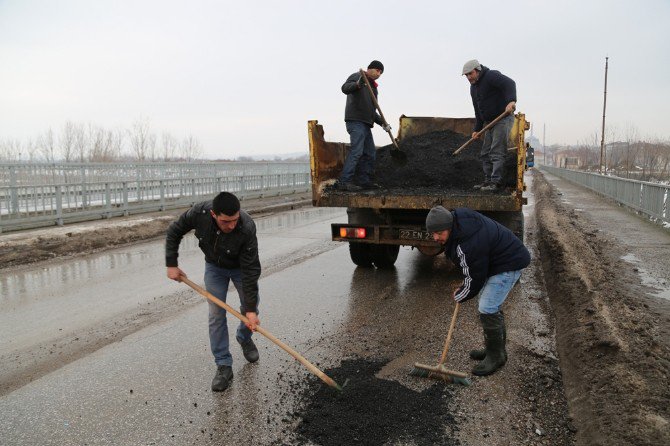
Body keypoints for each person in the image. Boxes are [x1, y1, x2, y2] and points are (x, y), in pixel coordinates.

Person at [165, 191, 261, 391]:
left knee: (250, 310)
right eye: (226, 222)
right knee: (216, 314)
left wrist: (251, 309)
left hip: (240, 268)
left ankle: (244, 338)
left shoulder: (247, 226)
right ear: (213, 215)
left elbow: (251, 269)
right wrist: (171, 264)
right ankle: (224, 365)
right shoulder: (199, 213)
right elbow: (175, 231)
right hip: (214, 267)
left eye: (235, 220)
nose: (232, 225)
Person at [425, 206, 530, 376]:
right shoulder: (458, 225)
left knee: (487, 306)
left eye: (439, 233)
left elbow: (475, 277)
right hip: (497, 261)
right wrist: (465, 286)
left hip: (510, 263)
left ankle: (496, 357)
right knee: (489, 305)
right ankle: (494, 350)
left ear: (449, 227)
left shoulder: (468, 242)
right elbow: (472, 269)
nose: (436, 237)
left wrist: (462, 293)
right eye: (433, 233)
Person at [336, 60, 391, 192]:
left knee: (370, 153)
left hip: (366, 124)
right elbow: (345, 88)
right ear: (371, 69)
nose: (379, 74)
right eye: (378, 70)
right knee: (357, 151)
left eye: (381, 73)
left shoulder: (373, 88)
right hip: (355, 121)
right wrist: (358, 84)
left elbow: (372, 111)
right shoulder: (358, 76)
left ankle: (363, 181)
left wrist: (383, 123)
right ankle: (344, 181)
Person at [462, 59, 517, 192]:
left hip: (503, 118)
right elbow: (478, 109)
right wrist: (477, 129)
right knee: (485, 152)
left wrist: (511, 101)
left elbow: (509, 83)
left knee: (496, 151)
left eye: (471, 74)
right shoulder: (473, 88)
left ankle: (496, 182)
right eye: (466, 75)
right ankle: (488, 181)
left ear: (478, 70)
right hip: (489, 123)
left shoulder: (491, 76)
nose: (469, 77)